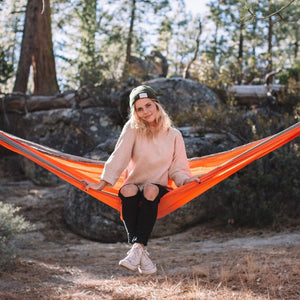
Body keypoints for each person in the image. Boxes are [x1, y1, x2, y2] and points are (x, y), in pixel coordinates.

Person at [84, 85, 200, 275]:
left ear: (156, 105)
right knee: (128, 190)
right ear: (135, 112)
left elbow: (177, 168)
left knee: (150, 190)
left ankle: (137, 249)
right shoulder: (132, 128)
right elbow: (119, 156)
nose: (145, 112)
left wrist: (186, 182)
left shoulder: (174, 135)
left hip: (157, 187)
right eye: (139, 108)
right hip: (134, 185)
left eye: (148, 105)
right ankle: (140, 252)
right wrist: (102, 183)